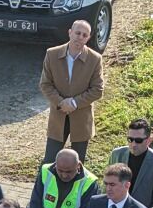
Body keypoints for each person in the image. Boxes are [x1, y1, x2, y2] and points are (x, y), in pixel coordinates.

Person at [40, 18, 105, 163]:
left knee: (78, 163)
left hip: (82, 119)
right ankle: (44, 186)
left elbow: (98, 89)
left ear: (88, 38)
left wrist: (75, 103)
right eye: (78, 33)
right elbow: (45, 84)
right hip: (58, 116)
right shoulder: (52, 54)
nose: (80, 37)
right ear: (70, 33)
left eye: (84, 35)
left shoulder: (95, 59)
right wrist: (61, 102)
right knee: (49, 161)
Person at [108, 119, 153, 208]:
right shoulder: (116, 155)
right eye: (130, 139)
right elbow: (107, 187)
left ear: (149, 140)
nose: (133, 144)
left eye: (138, 140)